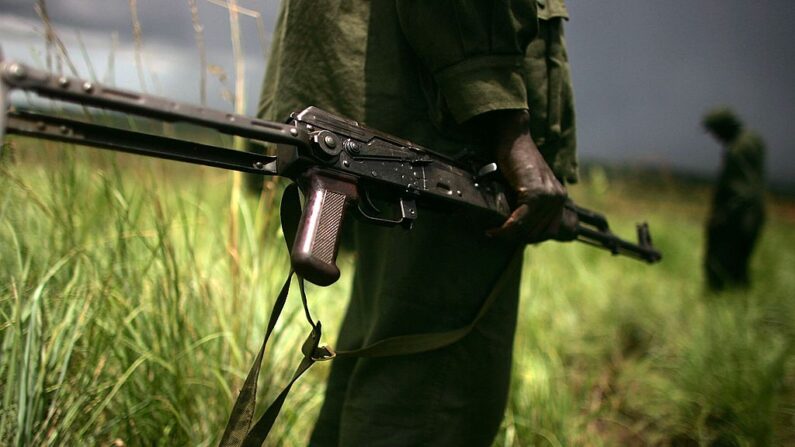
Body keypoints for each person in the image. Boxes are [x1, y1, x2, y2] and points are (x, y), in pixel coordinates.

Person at [252, 1, 578, 445]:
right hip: (449, 128)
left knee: (382, 365)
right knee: (431, 397)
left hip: (395, 106)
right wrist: (507, 124)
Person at [702, 107, 766, 291]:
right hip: (752, 215)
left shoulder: (739, 148)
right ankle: (739, 307)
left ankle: (719, 307)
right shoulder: (753, 141)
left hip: (737, 217)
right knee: (739, 269)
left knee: (719, 267)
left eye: (716, 130)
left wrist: (722, 217)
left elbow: (742, 188)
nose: (715, 136)